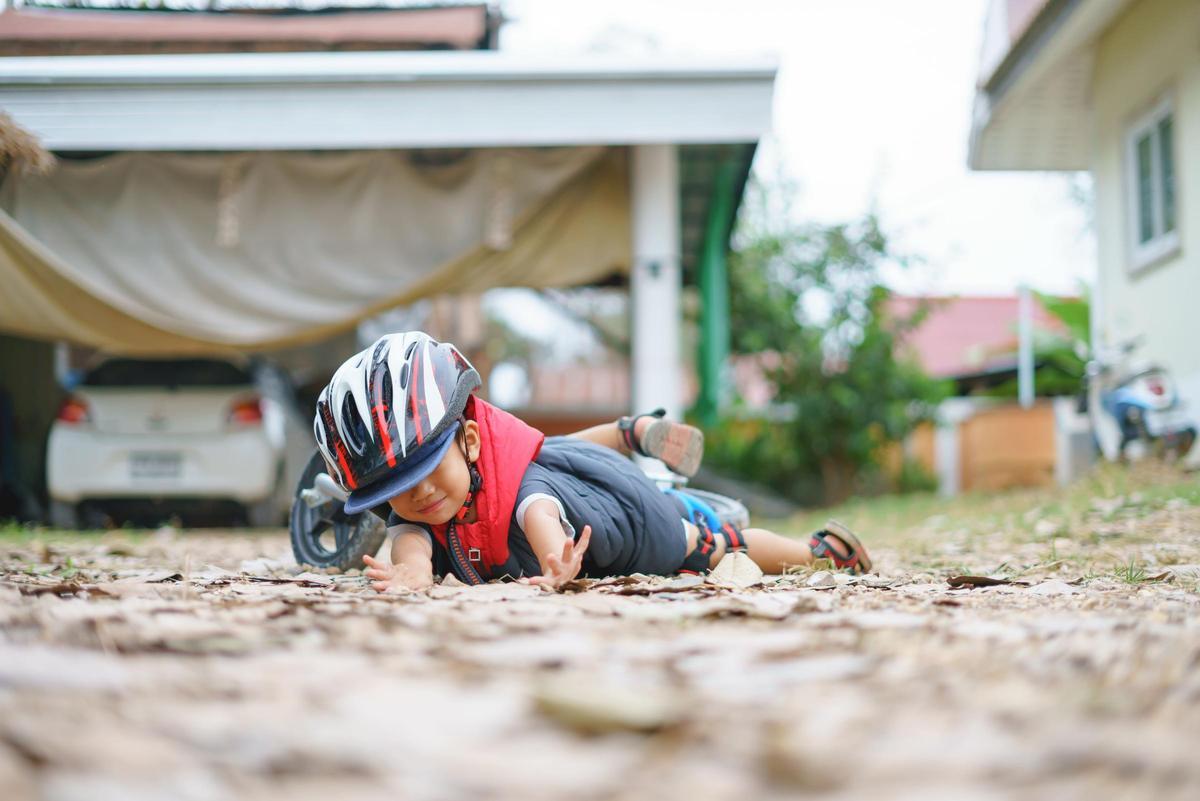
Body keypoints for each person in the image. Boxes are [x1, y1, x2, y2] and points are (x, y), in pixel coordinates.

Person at [312, 332, 872, 592]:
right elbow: (408, 540)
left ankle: (819, 553)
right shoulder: (420, 510)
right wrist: (410, 570)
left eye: (429, 469)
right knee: (560, 451)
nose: (420, 495)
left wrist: (557, 562)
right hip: (591, 477)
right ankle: (629, 436)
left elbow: (542, 519)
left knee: (723, 545)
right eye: (398, 487)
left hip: (634, 515)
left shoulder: (525, 493)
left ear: (472, 442)